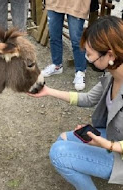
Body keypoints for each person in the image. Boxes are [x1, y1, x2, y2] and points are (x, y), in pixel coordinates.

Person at [28, 16, 123, 190]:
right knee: (62, 140)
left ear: (110, 54)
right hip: (112, 137)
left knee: (59, 153)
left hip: (118, 150)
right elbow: (88, 99)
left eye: (89, 54)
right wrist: (48, 91)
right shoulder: (112, 75)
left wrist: (108, 145)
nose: (86, 58)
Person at [41, 0, 92, 91]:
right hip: (54, 3)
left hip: (77, 4)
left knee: (77, 41)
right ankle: (57, 65)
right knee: (54, 36)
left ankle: (80, 71)